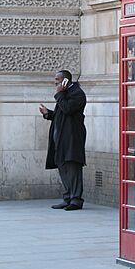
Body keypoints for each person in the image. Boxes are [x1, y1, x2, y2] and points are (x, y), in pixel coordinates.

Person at [39, 70, 87, 211]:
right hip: (60, 139)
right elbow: (61, 116)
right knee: (63, 168)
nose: (55, 82)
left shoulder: (78, 94)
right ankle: (67, 198)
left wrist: (60, 93)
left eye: (57, 79)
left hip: (72, 138)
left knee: (73, 167)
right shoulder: (64, 94)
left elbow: (68, 109)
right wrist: (49, 114)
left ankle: (76, 200)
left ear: (65, 81)